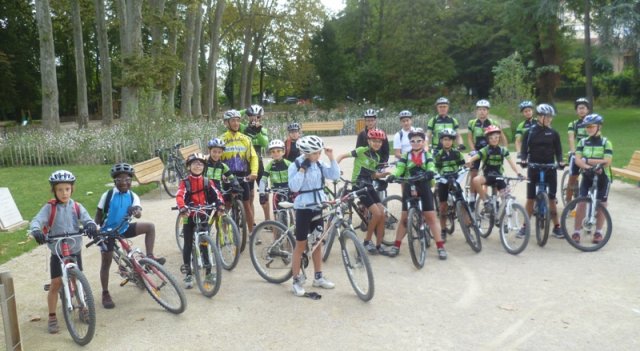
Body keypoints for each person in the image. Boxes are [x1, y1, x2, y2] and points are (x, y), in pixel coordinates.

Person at [29, 170, 97, 334]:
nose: (64, 193)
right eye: (60, 189)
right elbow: (36, 221)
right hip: (58, 252)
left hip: (74, 249)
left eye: (67, 189)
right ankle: (52, 316)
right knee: (56, 284)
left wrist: (91, 225)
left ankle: (83, 307)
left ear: (72, 189)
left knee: (78, 279)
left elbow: (88, 219)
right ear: (54, 191)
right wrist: (36, 230)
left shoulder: (76, 206)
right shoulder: (49, 208)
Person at [94, 163, 165, 309]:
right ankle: (105, 293)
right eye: (120, 180)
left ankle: (150, 257)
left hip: (124, 228)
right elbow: (98, 215)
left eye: (128, 180)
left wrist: (135, 210)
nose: (124, 182)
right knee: (106, 263)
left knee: (150, 227)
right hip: (107, 232)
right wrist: (97, 231)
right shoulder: (107, 195)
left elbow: (138, 213)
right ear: (115, 181)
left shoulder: (133, 195)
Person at [288, 135, 340, 297]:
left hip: (318, 206)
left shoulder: (318, 164)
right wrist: (302, 170)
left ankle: (318, 276)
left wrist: (331, 158)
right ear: (305, 153)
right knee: (301, 244)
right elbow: (294, 186)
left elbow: (334, 175)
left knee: (318, 242)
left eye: (319, 152)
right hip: (303, 208)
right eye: (315, 153)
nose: (318, 155)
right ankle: (296, 280)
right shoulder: (295, 165)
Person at [386, 128, 448, 259]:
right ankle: (396, 245)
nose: (415, 143)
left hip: (423, 186)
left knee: (431, 217)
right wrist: (393, 175)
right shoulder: (406, 155)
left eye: (419, 140)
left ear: (423, 141)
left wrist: (430, 171)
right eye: (412, 141)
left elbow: (431, 166)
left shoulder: (427, 155)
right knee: (404, 219)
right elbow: (400, 168)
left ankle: (440, 247)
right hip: (409, 185)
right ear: (409, 142)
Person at [336, 129, 390, 255]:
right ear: (368, 141)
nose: (377, 143)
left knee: (382, 213)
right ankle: (367, 241)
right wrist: (336, 168)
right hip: (358, 185)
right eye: (374, 141)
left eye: (379, 142)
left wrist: (383, 174)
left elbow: (373, 175)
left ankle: (379, 245)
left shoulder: (376, 157)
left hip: (369, 185)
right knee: (377, 214)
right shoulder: (361, 151)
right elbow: (342, 156)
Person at [176, 153, 225, 289]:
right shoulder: (185, 182)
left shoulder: (207, 181)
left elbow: (217, 194)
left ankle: (208, 273)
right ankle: (188, 273)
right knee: (187, 243)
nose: (198, 166)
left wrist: (220, 205)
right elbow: (180, 195)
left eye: (201, 164)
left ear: (204, 167)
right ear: (189, 166)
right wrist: (182, 207)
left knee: (205, 243)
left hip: (203, 213)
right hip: (188, 215)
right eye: (194, 163)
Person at [520, 103, 565, 238]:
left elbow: (559, 151)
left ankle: (557, 226)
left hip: (550, 167)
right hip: (534, 167)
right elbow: (523, 150)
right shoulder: (530, 132)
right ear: (539, 117)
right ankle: (525, 226)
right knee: (530, 198)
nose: (549, 119)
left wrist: (560, 161)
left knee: (551, 198)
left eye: (551, 117)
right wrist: (523, 160)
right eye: (547, 117)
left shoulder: (554, 133)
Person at [572, 113, 613, 243]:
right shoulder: (582, 142)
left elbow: (607, 161)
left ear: (599, 127)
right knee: (581, 202)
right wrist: (588, 166)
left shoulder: (606, 142)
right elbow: (577, 160)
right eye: (587, 127)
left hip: (603, 176)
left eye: (591, 126)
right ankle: (576, 231)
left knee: (601, 204)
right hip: (588, 175)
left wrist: (588, 160)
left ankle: (599, 232)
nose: (589, 129)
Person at [466, 126, 523, 213]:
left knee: (507, 198)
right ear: (487, 139)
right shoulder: (484, 150)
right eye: (491, 138)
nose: (494, 139)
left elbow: (512, 164)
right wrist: (469, 161)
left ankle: (501, 218)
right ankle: (486, 202)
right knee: (476, 180)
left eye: (496, 137)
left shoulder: (503, 150)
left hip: (499, 176)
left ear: (499, 138)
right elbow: (473, 158)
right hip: (487, 176)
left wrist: (518, 173)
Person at [219, 109, 259, 231]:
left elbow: (253, 157)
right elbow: (216, 159)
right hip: (227, 176)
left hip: (243, 175)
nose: (236, 123)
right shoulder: (221, 140)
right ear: (226, 123)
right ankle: (224, 234)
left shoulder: (245, 139)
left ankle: (252, 233)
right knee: (227, 205)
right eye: (233, 120)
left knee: (247, 204)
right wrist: (220, 174)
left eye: (237, 120)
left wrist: (254, 172)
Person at [466, 99, 508, 211]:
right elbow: (469, 138)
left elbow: (502, 136)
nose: (482, 112)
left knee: (493, 172)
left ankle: (494, 199)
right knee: (473, 172)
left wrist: (504, 147)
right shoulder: (472, 123)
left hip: (491, 149)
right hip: (479, 150)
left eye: (484, 109)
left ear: (488, 111)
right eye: (479, 110)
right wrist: (473, 150)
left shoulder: (494, 123)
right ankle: (471, 198)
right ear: (476, 111)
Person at [433, 128, 466, 237]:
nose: (447, 142)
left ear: (453, 141)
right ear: (441, 141)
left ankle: (469, 224)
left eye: (450, 140)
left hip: (455, 179)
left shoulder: (457, 153)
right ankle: (443, 230)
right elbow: (435, 169)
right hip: (444, 181)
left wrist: (466, 167)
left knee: (462, 201)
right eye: (445, 139)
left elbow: (463, 165)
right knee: (443, 207)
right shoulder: (438, 155)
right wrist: (437, 177)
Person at [240, 104, 269, 225]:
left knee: (264, 192)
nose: (254, 119)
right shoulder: (242, 128)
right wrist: (244, 110)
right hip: (246, 164)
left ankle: (268, 220)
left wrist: (257, 132)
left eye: (257, 116)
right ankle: (251, 221)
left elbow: (264, 143)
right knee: (250, 194)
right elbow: (231, 115)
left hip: (259, 163)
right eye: (251, 116)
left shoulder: (262, 129)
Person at [258, 139, 292, 220]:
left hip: (289, 190)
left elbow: (296, 177)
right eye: (273, 152)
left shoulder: (289, 164)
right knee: (276, 213)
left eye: (278, 151)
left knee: (295, 210)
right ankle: (277, 231)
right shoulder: (270, 165)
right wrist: (262, 193)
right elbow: (263, 180)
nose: (276, 153)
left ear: (283, 152)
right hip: (276, 191)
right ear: (271, 154)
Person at [565, 97, 591, 203]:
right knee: (572, 179)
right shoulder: (573, 124)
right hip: (579, 154)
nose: (581, 110)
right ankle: (568, 201)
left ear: (587, 110)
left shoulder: (592, 123)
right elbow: (571, 138)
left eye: (583, 108)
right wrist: (573, 151)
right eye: (579, 108)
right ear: (576, 111)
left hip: (590, 154)